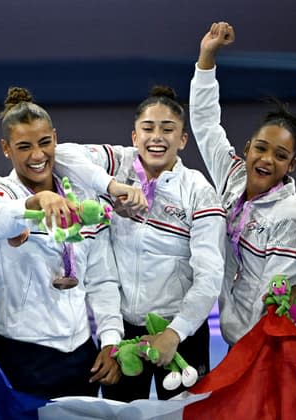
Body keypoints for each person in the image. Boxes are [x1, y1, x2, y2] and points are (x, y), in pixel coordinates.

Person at [57, 86, 227, 401]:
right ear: (134, 137)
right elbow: (60, 153)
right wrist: (111, 185)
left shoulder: (198, 192)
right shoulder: (118, 164)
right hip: (124, 334)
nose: (156, 137)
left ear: (183, 140)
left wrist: (174, 333)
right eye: (147, 128)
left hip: (179, 332)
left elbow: (210, 276)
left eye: (168, 129)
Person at [0, 86, 127, 400]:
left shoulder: (84, 199)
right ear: (6, 148)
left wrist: (111, 340)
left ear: (55, 138)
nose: (37, 155)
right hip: (21, 354)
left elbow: (101, 279)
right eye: (24, 146)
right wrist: (35, 201)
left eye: (45, 142)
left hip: (81, 354)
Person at [189, 22, 296, 347]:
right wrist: (207, 56)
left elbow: (272, 293)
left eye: (280, 155)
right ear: (247, 148)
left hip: (268, 344)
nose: (267, 159)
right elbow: (204, 123)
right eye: (261, 148)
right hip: (239, 339)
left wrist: (249, 352)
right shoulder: (233, 176)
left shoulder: (292, 212)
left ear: (292, 165)